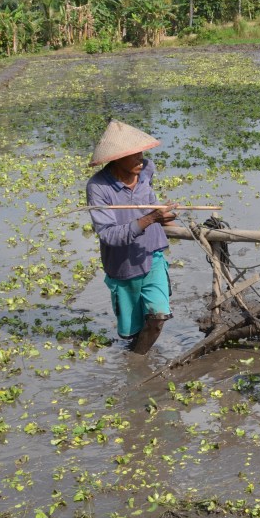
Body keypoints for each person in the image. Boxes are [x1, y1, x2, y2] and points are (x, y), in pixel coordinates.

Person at [86, 120, 178, 354]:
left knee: (159, 316)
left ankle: (138, 362)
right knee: (132, 331)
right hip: (123, 264)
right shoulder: (98, 187)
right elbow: (108, 235)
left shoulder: (146, 171)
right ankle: (135, 359)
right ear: (116, 158)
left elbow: (149, 204)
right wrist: (149, 219)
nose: (140, 159)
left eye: (141, 154)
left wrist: (163, 216)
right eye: (134, 156)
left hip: (151, 253)